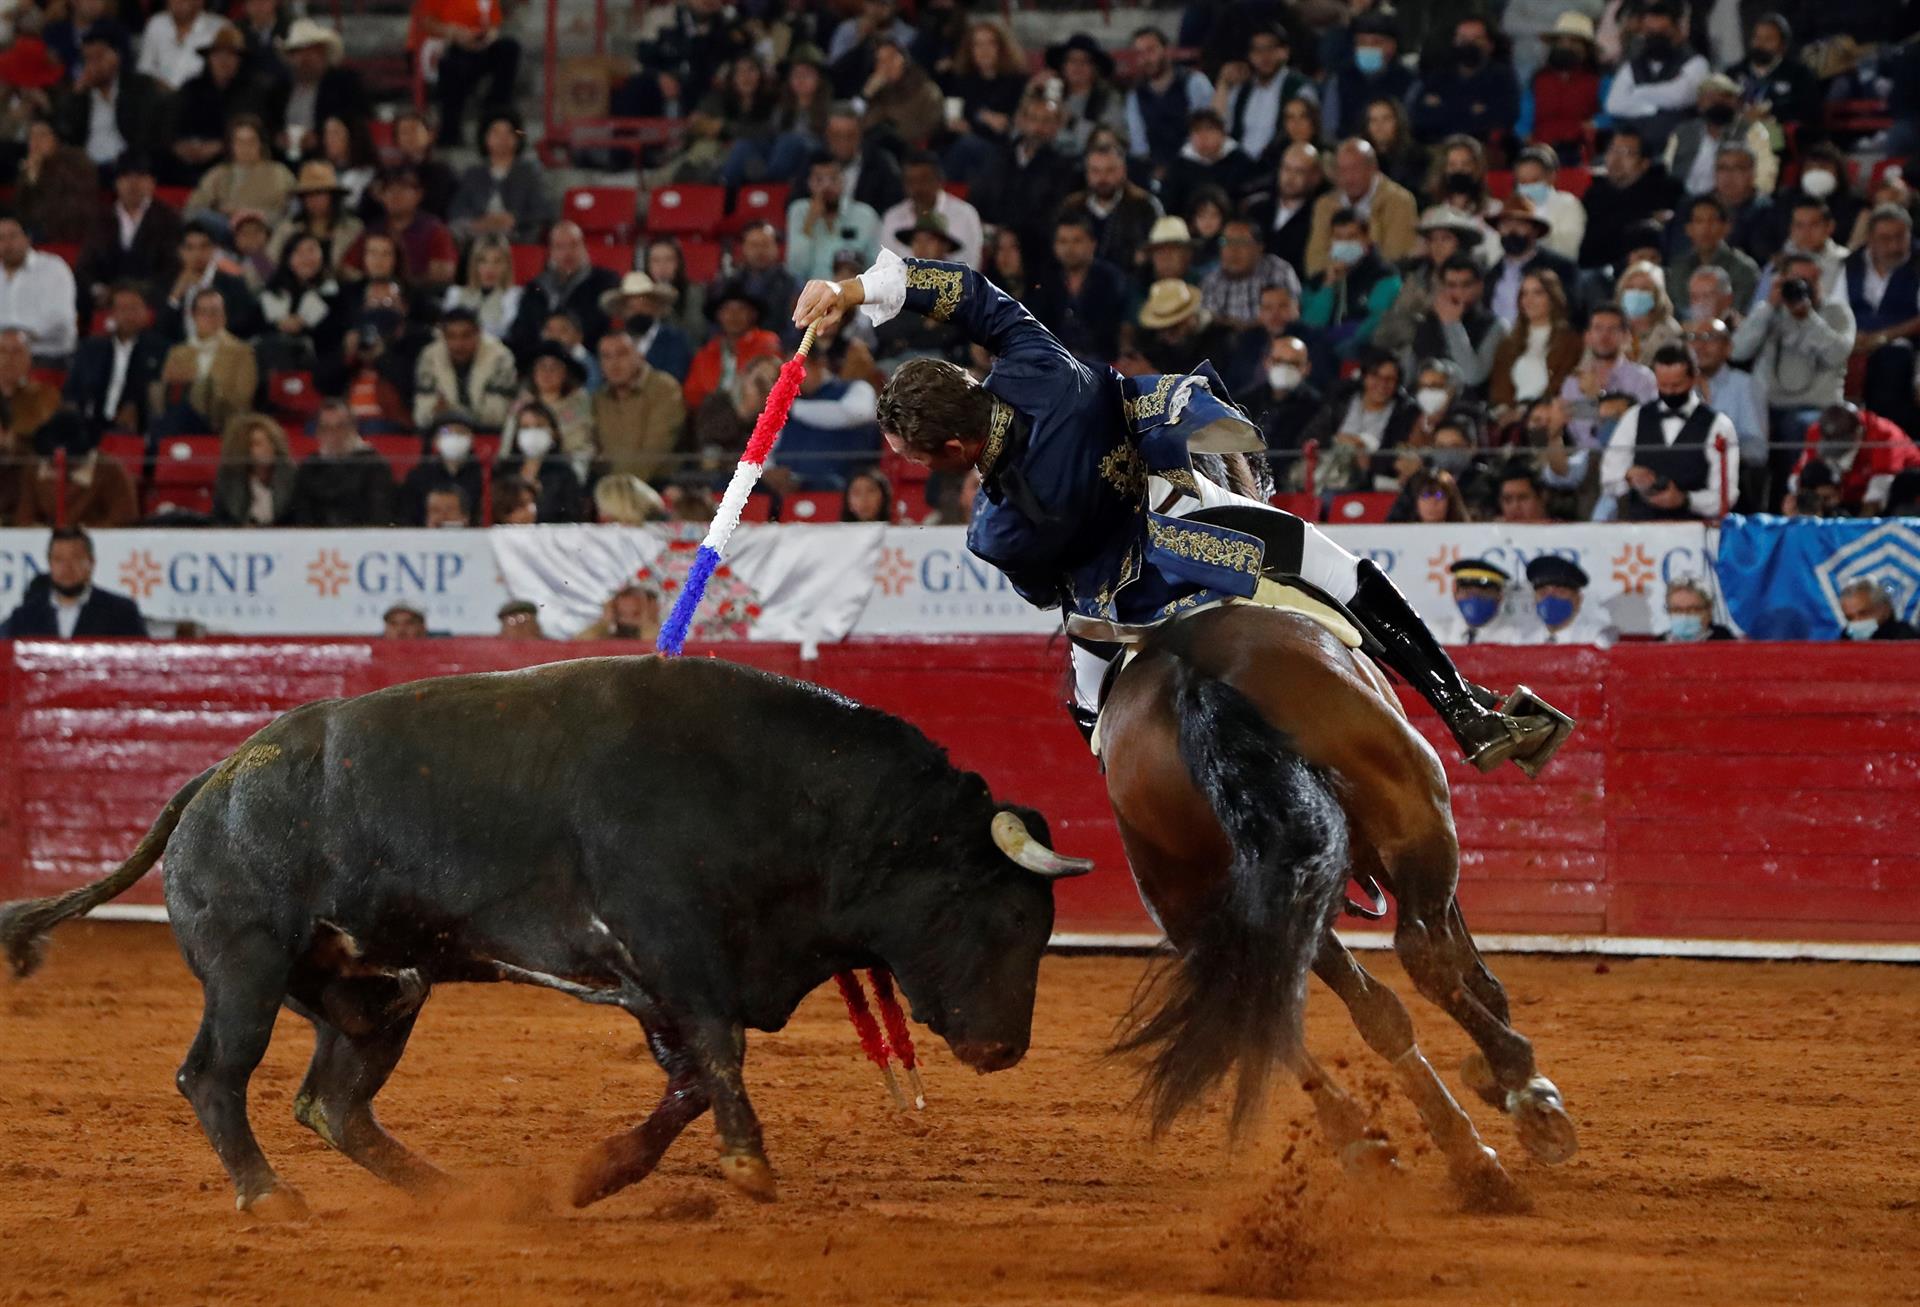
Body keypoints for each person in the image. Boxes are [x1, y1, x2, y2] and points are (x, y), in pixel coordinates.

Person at [792, 248, 1567, 772]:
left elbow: (1046, 588)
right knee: (1340, 571)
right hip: (1191, 507)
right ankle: (1464, 709)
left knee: (1098, 720)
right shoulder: (1041, 365)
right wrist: (850, 291)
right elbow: (963, 291)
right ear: (970, 382)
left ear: (953, 451)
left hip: (1117, 586)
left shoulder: (995, 532)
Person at [1733, 253, 1856, 506]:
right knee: (1737, 432)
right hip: (1765, 409)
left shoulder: (1835, 312)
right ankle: (1749, 511)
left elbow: (1837, 355)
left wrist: (1807, 317)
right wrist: (1768, 307)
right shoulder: (1768, 311)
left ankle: (1789, 506)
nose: (1803, 288)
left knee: (1796, 426)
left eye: (1810, 280)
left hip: (1816, 409)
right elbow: (1737, 351)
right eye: (1795, 281)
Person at [1602, 343, 1739, 521]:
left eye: (1676, 385)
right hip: (1640, 532)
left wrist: (1685, 500)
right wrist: (1628, 476)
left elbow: (1726, 495)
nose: (1669, 392)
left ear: (1693, 379)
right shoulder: (1635, 417)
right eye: (1663, 385)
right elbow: (1609, 477)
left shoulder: (1719, 425)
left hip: (1696, 532)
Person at [1297, 348, 1419, 492]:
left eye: (1390, 379)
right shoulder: (1341, 400)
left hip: (1371, 483)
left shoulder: (1405, 412)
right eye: (1375, 376)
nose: (1382, 384)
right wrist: (1338, 440)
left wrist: (1368, 459)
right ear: (1364, 376)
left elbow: (1397, 456)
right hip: (1327, 471)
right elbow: (1308, 438)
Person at [1844, 204, 1920, 432]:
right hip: (1853, 344)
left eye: (1900, 237)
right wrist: (1853, 340)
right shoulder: (1851, 264)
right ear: (1870, 239)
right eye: (1885, 239)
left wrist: (1882, 337)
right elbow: (1836, 309)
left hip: (1903, 347)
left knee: (1891, 364)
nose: (1895, 246)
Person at [55, 22, 171, 170]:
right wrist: (75, 98)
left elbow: (145, 135)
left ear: (117, 56)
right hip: (88, 171)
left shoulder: (139, 87)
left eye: (99, 57)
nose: (92, 66)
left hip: (128, 169)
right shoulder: (80, 95)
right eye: (87, 59)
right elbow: (67, 137)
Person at [64, 282, 169, 439]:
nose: (128, 315)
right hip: (90, 425)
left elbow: (160, 397)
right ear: (112, 314)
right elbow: (72, 392)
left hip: (138, 429)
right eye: (122, 309)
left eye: (134, 308)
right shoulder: (90, 349)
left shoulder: (161, 350)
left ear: (146, 312)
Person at [0, 527, 147, 638]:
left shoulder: (121, 613)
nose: (67, 568)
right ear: (49, 563)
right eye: (59, 560)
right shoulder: (24, 616)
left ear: (91, 563)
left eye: (76, 559)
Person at [77, 154, 181, 309]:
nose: (133, 183)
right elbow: (86, 266)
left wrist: (135, 294)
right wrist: (98, 290)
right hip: (106, 300)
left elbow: (171, 268)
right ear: (116, 183)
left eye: (140, 176)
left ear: (152, 182)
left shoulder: (168, 219)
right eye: (126, 176)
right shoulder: (100, 219)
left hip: (151, 300)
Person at [1602, 0, 1706, 154]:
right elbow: (1614, 105)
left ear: (1677, 30)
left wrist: (1637, 93)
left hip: (1679, 150)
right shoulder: (1632, 66)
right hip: (1635, 151)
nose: (1656, 38)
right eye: (1651, 33)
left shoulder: (1696, 63)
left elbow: (1680, 96)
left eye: (1662, 32)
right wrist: (1654, 107)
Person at [411, 0, 519, 148]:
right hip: (445, 46)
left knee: (509, 48)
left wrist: (486, 39)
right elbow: (425, 22)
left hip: (478, 46)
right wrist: (453, 32)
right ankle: (450, 131)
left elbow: (494, 25)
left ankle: (496, 108)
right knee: (451, 66)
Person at [507, 221, 619, 363]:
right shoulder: (535, 288)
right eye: (560, 247)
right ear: (551, 251)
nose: (567, 253)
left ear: (584, 246)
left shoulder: (604, 282)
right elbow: (522, 331)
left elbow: (599, 326)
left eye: (573, 245)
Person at [1305, 138, 1417, 279]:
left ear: (1373, 168)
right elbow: (1314, 263)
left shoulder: (1399, 202)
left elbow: (1396, 258)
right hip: (1332, 284)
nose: (1348, 178)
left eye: (1355, 169)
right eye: (1342, 171)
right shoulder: (1325, 205)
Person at [153, 287, 258, 435]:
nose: (210, 317)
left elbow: (242, 399)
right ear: (194, 316)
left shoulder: (241, 352)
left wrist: (207, 390)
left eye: (215, 311)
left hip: (224, 422)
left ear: (224, 315)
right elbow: (167, 394)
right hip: (182, 422)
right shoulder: (177, 353)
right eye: (204, 312)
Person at [1027, 215, 1129, 367]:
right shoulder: (1046, 281)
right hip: (1055, 364)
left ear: (1092, 244)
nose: (1069, 248)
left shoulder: (1111, 279)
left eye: (1077, 241)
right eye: (1063, 242)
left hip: (1104, 366)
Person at [1300, 210, 1401, 360]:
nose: (1345, 244)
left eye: (1352, 237)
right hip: (1320, 354)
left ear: (1366, 239)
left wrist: (1345, 344)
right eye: (1339, 238)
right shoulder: (1318, 280)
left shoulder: (1384, 275)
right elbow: (1310, 324)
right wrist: (1328, 286)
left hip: (1361, 353)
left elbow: (1378, 319)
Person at [1789, 403, 1920, 516]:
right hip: (1849, 493)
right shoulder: (1818, 430)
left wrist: (1854, 533)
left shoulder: (1884, 435)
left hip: (1897, 499)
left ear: (1858, 433)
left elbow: (1877, 495)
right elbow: (1799, 476)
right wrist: (1802, 501)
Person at [15, 409, 139, 527]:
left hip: (98, 541)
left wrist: (82, 534)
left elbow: (125, 519)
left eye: (70, 456)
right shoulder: (34, 469)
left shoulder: (109, 470)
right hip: (47, 542)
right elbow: (25, 517)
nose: (60, 461)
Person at [1408, 15, 1519, 146]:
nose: (1468, 44)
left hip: (1483, 148)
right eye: (1463, 39)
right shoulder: (1438, 73)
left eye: (1476, 39)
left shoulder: (1502, 77)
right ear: (1454, 41)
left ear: (1490, 45)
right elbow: (1419, 115)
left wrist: (1444, 108)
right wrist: (1470, 110)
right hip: (1436, 146)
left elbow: (1503, 119)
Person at [449, 110, 556, 246]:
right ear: (485, 137)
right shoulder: (473, 173)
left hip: (515, 232)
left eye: (509, 132)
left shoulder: (530, 172)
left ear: (517, 138)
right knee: (456, 229)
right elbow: (457, 208)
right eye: (496, 132)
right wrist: (480, 221)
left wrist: (514, 219)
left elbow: (544, 210)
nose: (502, 138)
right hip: (477, 231)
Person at [1057, 140, 1161, 278]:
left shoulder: (1144, 206)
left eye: (1110, 170)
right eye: (1095, 171)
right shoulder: (1072, 207)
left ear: (1123, 171)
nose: (1102, 178)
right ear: (1087, 173)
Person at [1577, 129, 1679, 270]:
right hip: (1597, 271)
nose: (1616, 160)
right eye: (1613, 150)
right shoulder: (1595, 193)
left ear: (1644, 163)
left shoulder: (1664, 192)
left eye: (1626, 153)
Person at [1558, 304, 1657, 449]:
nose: (1604, 336)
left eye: (1612, 329)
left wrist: (1594, 398)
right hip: (1583, 460)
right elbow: (1567, 419)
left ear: (1626, 336)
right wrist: (1607, 408)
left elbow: (1642, 423)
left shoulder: (1642, 378)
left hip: (1628, 456)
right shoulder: (1573, 382)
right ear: (1588, 336)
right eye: (1598, 328)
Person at [1490, 270, 1582, 424]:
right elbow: (1499, 391)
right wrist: (1505, 412)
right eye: (1524, 294)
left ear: (1552, 298)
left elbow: (1567, 386)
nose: (1529, 300)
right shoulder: (1508, 343)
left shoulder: (1571, 341)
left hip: (1552, 418)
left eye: (1537, 293)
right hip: (1513, 422)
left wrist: (1532, 412)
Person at [1212, 24, 1310, 165]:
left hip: (1278, 165)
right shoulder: (1242, 90)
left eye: (1270, 48)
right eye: (1257, 50)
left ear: (1285, 52)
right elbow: (1216, 127)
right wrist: (1223, 84)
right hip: (1239, 166)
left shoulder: (1299, 88)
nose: (1264, 56)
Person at [269, 20, 364, 162]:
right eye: (298, 52)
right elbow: (269, 122)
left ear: (323, 53)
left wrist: (319, 138)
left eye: (311, 51)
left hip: (330, 158)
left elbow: (356, 119)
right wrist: (278, 138)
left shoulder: (344, 83)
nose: (305, 58)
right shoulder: (280, 88)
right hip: (286, 159)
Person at [289, 399, 396, 525]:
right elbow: (302, 514)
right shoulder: (310, 466)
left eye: (340, 426)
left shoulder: (374, 465)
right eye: (326, 428)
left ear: (353, 427)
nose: (334, 434)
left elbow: (379, 514)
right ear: (318, 432)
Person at [412, 305, 516, 433]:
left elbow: (496, 416)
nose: (458, 344)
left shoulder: (500, 357)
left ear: (478, 333)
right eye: (451, 336)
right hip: (443, 434)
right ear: (443, 336)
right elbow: (421, 416)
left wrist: (449, 413)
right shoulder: (429, 357)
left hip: (488, 435)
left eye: (466, 336)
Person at [1409, 255, 1502, 389]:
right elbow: (1412, 370)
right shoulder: (1428, 320)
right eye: (1451, 285)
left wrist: (1452, 324)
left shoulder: (1495, 326)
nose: (1458, 292)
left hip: (1467, 404)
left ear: (1479, 286)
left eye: (1466, 285)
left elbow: (1473, 376)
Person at [1123, 26, 1211, 168]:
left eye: (1150, 50)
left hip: (1196, 163)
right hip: (1155, 168)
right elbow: (1139, 146)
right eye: (1140, 53)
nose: (1146, 58)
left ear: (1167, 50)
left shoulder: (1195, 82)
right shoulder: (1135, 96)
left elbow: (1208, 131)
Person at [785, 152, 881, 284]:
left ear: (844, 180)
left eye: (833, 179)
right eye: (819, 180)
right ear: (809, 183)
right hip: (812, 295)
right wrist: (809, 223)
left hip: (854, 293)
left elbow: (877, 266)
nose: (827, 186)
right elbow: (795, 269)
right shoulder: (799, 211)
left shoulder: (865, 215)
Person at [685, 283, 780, 413]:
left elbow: (773, 388)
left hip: (757, 419)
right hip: (712, 421)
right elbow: (692, 396)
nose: (734, 315)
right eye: (727, 309)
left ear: (753, 314)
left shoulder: (767, 344)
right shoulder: (705, 354)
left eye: (741, 309)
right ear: (718, 315)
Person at [185, 116, 294, 227]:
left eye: (251, 141)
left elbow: (290, 211)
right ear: (231, 145)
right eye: (240, 142)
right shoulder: (217, 174)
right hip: (225, 230)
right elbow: (193, 210)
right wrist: (223, 212)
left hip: (264, 229)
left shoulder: (279, 172)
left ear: (261, 143)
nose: (245, 147)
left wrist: (252, 215)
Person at [161, 220, 259, 343]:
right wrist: (175, 296)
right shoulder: (168, 285)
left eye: (204, 246)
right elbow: (161, 330)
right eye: (190, 247)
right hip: (184, 356)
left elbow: (244, 324)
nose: (197, 254)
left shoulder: (233, 284)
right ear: (180, 252)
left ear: (214, 249)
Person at [0, 214, 78, 364]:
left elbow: (61, 319)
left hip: (46, 359)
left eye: (13, 236)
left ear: (28, 238)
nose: (7, 244)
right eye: (1, 238)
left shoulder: (53, 268)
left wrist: (19, 339)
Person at [1523, 12, 1600, 163]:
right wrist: (1526, 136)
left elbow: (1610, 114)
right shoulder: (1538, 80)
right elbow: (1524, 116)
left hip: (1580, 148)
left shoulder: (1597, 80)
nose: (1566, 46)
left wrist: (1595, 123)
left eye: (1574, 42)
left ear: (1586, 49)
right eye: (1561, 41)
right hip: (1540, 147)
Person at [1200, 218, 1300, 332]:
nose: (1233, 250)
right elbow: (1208, 323)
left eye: (1242, 242)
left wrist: (1241, 328)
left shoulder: (1278, 270)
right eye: (1226, 242)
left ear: (1259, 248)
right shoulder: (1211, 280)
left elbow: (1290, 315)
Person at [496, 403, 584, 522]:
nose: (532, 433)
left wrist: (536, 514)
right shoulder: (504, 471)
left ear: (554, 433)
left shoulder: (564, 474)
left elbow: (573, 516)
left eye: (539, 426)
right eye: (525, 427)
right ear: (517, 435)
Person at [1251, 142, 1326, 279]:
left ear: (1315, 177)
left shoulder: (1319, 216)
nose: (1290, 178)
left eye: (1299, 171)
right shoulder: (1256, 209)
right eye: (1286, 169)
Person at [601, 271, 692, 383]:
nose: (638, 312)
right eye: (631, 307)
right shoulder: (614, 343)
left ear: (655, 307)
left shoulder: (675, 340)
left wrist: (639, 368)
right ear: (622, 311)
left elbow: (676, 377)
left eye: (644, 306)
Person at [212, 411, 295, 526]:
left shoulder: (291, 477)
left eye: (270, 442)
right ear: (243, 448)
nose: (267, 448)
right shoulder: (229, 480)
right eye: (258, 444)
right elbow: (220, 522)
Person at [1431, 557, 1529, 645]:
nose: (1474, 598)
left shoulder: (1517, 639)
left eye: (1483, 593)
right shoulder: (1435, 633)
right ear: (1455, 593)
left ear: (1500, 596)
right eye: (1468, 591)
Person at [1523, 555, 1615, 647]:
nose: (1550, 598)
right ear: (1534, 600)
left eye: (1560, 592)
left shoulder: (1595, 640)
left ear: (1578, 600)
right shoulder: (1526, 644)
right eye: (1543, 592)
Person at [445, 235, 523, 341]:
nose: (490, 268)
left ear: (507, 265)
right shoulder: (455, 294)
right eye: (483, 261)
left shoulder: (514, 296)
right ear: (474, 264)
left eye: (497, 261)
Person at [0, 329, 62, 443]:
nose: (9, 358)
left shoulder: (45, 397)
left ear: (29, 359)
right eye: (2, 351)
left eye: (17, 351)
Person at [1616, 261, 1684, 362]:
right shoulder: (1611, 326)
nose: (1636, 293)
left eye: (1644, 289)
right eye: (1630, 288)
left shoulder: (1670, 331)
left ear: (1657, 295)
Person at [575, 582, 661, 642]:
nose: (628, 616)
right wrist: (604, 622)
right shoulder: (605, 640)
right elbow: (576, 648)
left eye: (636, 612)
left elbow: (653, 649)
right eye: (620, 612)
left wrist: (646, 623)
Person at [1837, 577, 1917, 641]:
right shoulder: (1847, 637)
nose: (1856, 621)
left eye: (1863, 614)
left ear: (1885, 609)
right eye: (1850, 618)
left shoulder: (1907, 639)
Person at [1661, 576, 1735, 642]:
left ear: (1708, 610)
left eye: (1692, 610)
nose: (1684, 616)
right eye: (1676, 610)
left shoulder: (1725, 641)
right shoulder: (1659, 643)